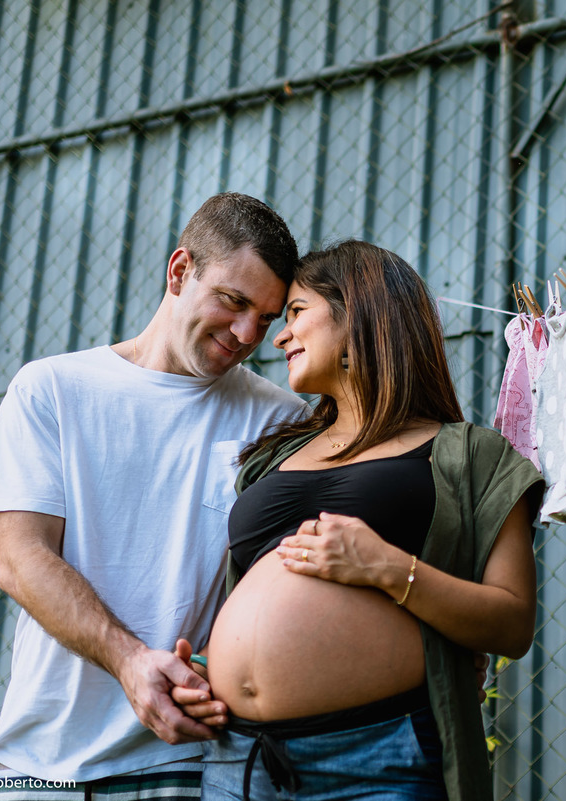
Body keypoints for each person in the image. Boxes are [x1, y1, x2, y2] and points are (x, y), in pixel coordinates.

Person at [0, 193, 310, 799]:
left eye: (268, 319)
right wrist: (128, 661)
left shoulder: (282, 420)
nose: (248, 333)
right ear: (179, 271)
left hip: (190, 765)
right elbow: (20, 562)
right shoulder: (53, 389)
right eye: (234, 302)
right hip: (39, 762)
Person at [171, 240, 544, 801]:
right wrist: (208, 668)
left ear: (360, 313)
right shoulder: (271, 455)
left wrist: (387, 568)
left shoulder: (470, 455)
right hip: (239, 755)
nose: (277, 336)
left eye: (295, 313)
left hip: (376, 758)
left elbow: (513, 624)